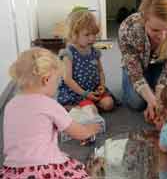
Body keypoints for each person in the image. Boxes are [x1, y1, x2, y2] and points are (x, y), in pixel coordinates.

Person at [0, 48, 101, 178]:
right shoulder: (49, 104)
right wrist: (90, 129)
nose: (57, 86)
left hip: (13, 171)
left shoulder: (10, 105)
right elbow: (79, 133)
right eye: (57, 80)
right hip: (45, 169)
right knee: (77, 171)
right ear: (46, 80)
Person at [118, 0, 167, 121]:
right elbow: (134, 71)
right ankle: (143, 87)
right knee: (137, 102)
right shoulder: (128, 28)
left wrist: (159, 93)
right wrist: (153, 101)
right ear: (144, 21)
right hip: (137, 65)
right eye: (155, 30)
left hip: (164, 65)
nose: (162, 36)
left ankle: (152, 85)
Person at [57, 10, 114, 112]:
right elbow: (67, 79)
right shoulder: (68, 53)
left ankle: (87, 106)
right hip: (77, 92)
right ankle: (71, 107)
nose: (92, 38)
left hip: (93, 89)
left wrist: (102, 85)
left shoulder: (94, 51)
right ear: (74, 34)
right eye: (87, 35)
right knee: (91, 109)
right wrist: (85, 94)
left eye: (94, 34)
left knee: (109, 104)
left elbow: (100, 71)